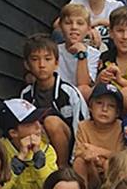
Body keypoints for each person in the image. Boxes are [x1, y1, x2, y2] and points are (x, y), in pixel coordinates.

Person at [22, 35, 87, 166]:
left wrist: (75, 160)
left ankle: (61, 169)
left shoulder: (69, 92)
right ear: (27, 64)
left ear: (56, 63)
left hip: (68, 146)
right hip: (40, 142)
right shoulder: (26, 94)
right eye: (35, 59)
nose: (41, 65)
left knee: (51, 121)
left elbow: (81, 127)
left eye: (47, 59)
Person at [0, 98, 58, 189]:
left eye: (38, 121)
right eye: (30, 123)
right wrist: (19, 159)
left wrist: (38, 158)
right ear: (13, 133)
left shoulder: (47, 149)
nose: (38, 127)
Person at [72, 83, 126, 189]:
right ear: (90, 107)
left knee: (109, 163)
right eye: (99, 103)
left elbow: (120, 156)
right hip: (91, 171)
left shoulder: (121, 127)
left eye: (111, 106)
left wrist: (97, 151)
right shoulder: (84, 126)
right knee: (79, 162)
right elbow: (79, 151)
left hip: (112, 174)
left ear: (117, 112)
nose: (104, 109)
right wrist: (96, 158)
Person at [57, 4, 101, 99]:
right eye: (68, 23)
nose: (74, 27)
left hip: (81, 99)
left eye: (80, 23)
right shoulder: (54, 51)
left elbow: (84, 84)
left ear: (88, 28)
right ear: (60, 26)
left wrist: (82, 53)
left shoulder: (94, 54)